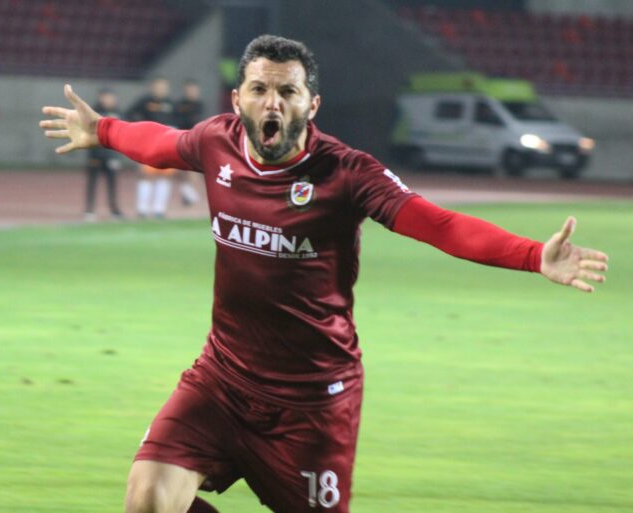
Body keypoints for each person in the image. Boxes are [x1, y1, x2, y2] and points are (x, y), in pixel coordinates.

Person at [40, 35, 609, 513]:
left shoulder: (346, 173)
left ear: (311, 105)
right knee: (148, 498)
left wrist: (534, 255)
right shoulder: (216, 142)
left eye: (287, 91)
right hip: (222, 379)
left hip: (313, 402)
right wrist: (104, 130)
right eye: (259, 89)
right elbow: (161, 144)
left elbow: (438, 225)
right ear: (238, 99)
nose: (272, 103)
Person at [126, 77, 177, 218]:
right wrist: (140, 129)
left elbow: (179, 121)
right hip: (149, 144)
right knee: (146, 175)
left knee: (165, 177)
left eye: (164, 87)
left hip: (167, 145)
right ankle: (142, 209)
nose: (161, 90)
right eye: (158, 87)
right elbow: (129, 114)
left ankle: (159, 210)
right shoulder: (144, 102)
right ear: (152, 87)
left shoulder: (171, 104)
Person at [84, 88, 123, 221]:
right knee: (92, 183)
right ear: (100, 97)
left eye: (111, 97)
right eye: (106, 97)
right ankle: (89, 210)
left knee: (112, 184)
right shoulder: (93, 112)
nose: (109, 100)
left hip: (111, 155)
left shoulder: (117, 112)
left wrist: (116, 155)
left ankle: (114, 210)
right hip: (95, 154)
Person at [174, 79, 204, 206]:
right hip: (181, 138)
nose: (192, 92)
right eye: (190, 89)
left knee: (194, 169)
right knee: (182, 169)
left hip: (195, 140)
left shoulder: (200, 105)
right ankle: (187, 192)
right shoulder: (180, 105)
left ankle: (188, 192)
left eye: (194, 90)